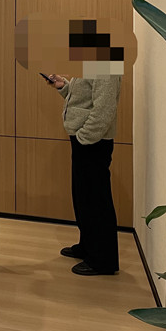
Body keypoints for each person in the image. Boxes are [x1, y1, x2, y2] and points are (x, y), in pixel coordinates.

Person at [46, 73, 121, 276]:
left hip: (93, 141)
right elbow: (85, 96)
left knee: (96, 201)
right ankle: (88, 246)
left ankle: (103, 261)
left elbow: (105, 108)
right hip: (86, 141)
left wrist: (84, 137)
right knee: (84, 198)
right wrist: (64, 86)